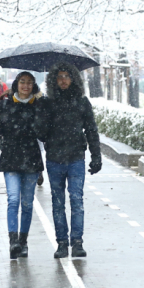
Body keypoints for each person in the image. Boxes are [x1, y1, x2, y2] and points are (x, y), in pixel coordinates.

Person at [36, 62, 102, 259]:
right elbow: (40, 133)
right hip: (55, 158)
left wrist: (96, 156)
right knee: (58, 202)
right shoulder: (47, 103)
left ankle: (77, 241)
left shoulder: (82, 102)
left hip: (76, 158)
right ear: (53, 80)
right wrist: (42, 115)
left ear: (73, 79)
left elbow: (91, 130)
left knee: (76, 200)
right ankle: (62, 243)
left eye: (67, 76)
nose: (63, 80)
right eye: (59, 76)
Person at [0, 72, 43, 259]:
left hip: (31, 160)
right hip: (10, 159)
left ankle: (23, 242)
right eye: (22, 82)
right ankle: (13, 242)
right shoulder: (4, 105)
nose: (26, 86)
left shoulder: (39, 106)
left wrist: (42, 104)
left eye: (30, 83)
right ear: (16, 84)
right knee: (13, 200)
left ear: (34, 86)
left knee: (27, 203)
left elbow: (45, 133)